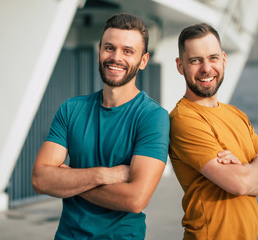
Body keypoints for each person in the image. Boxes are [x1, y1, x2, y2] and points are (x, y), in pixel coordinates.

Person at [31, 13, 170, 239]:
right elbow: (40, 180)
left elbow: (135, 199)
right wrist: (103, 175)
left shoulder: (152, 117)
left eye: (128, 51)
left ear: (143, 61)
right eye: (109, 48)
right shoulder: (71, 109)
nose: (116, 57)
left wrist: (70, 178)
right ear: (99, 51)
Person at [169, 23, 258, 240]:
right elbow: (240, 183)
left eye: (212, 58)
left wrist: (244, 171)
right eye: (195, 60)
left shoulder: (237, 114)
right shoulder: (184, 119)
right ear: (180, 65)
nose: (206, 68)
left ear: (224, 60)